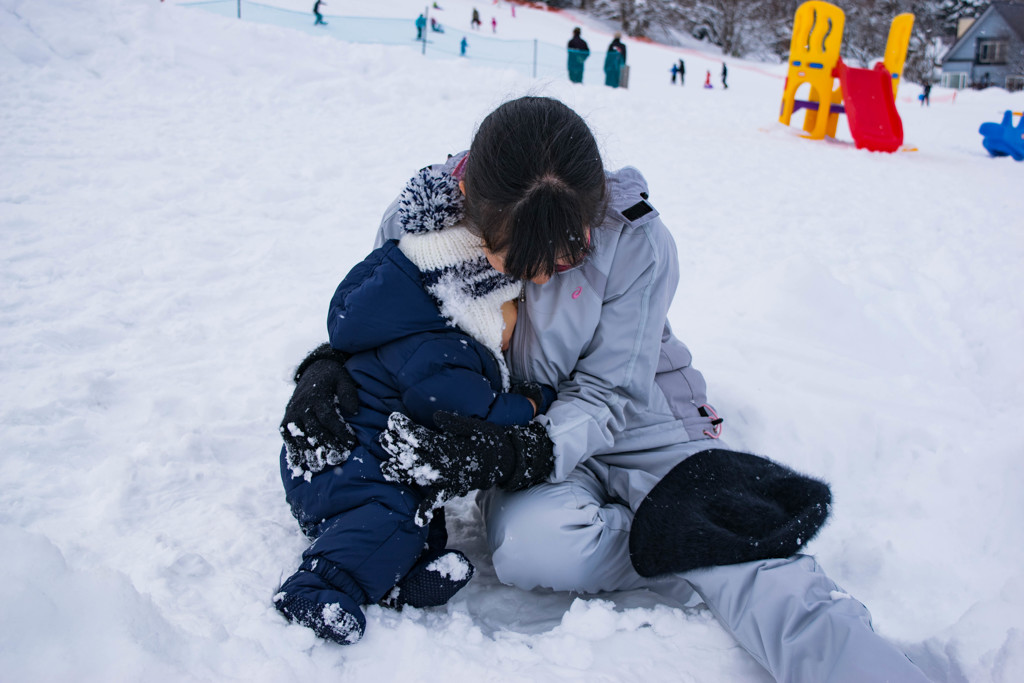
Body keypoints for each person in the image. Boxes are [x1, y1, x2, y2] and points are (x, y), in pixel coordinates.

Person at [279, 97, 932, 681]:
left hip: (635, 417)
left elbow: (608, 392)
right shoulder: (420, 219)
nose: (556, 269)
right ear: (478, 220)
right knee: (532, 548)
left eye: (572, 247)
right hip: (518, 424)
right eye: (530, 259)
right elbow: (389, 319)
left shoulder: (639, 240)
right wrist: (327, 365)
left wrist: (523, 453)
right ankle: (674, 536)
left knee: (746, 563)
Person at [274, 167, 558, 645]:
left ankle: (394, 579)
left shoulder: (420, 329)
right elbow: (478, 413)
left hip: (359, 461)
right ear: (478, 308)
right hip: (347, 465)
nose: (511, 334)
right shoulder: (441, 352)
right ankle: (317, 587)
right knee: (388, 516)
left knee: (415, 514)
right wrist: (532, 403)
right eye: (509, 314)